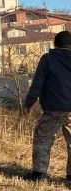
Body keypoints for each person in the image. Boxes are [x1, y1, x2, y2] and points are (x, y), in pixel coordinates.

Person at [22, 30, 71, 181]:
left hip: (53, 109)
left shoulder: (48, 59)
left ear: (55, 44)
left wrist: (28, 102)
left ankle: (39, 173)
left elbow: (37, 84)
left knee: (43, 139)